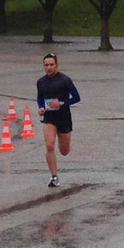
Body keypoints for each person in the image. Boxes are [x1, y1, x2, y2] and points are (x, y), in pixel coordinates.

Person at [37, 53, 81, 187]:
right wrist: (40, 108)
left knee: (64, 151)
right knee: (49, 145)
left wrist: (61, 103)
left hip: (64, 118)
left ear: (56, 65)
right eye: (46, 65)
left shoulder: (65, 80)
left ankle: (65, 145)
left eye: (51, 65)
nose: (49, 67)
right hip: (49, 118)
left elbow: (77, 97)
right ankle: (54, 177)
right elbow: (40, 97)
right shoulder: (41, 82)